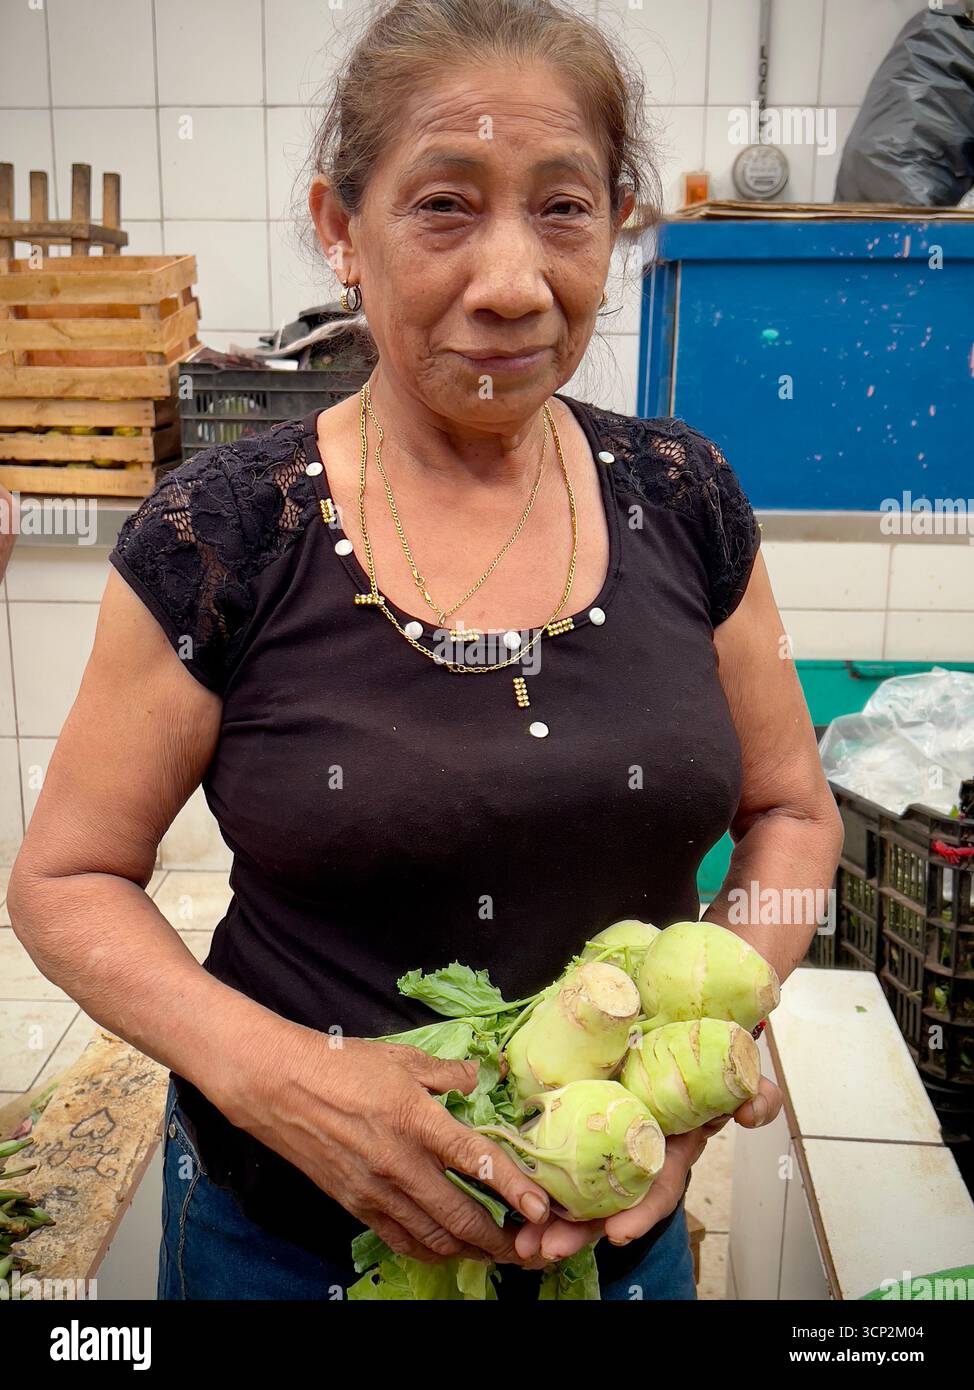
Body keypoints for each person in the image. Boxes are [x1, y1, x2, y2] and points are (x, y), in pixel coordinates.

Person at [8, 0, 841, 1301]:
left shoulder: (683, 499)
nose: (510, 281)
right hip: (285, 1245)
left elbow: (790, 809)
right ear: (341, 230)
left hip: (613, 1232)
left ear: (614, 223)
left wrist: (700, 1037)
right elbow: (65, 879)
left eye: (561, 208)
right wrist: (287, 1080)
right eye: (444, 205)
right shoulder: (227, 532)